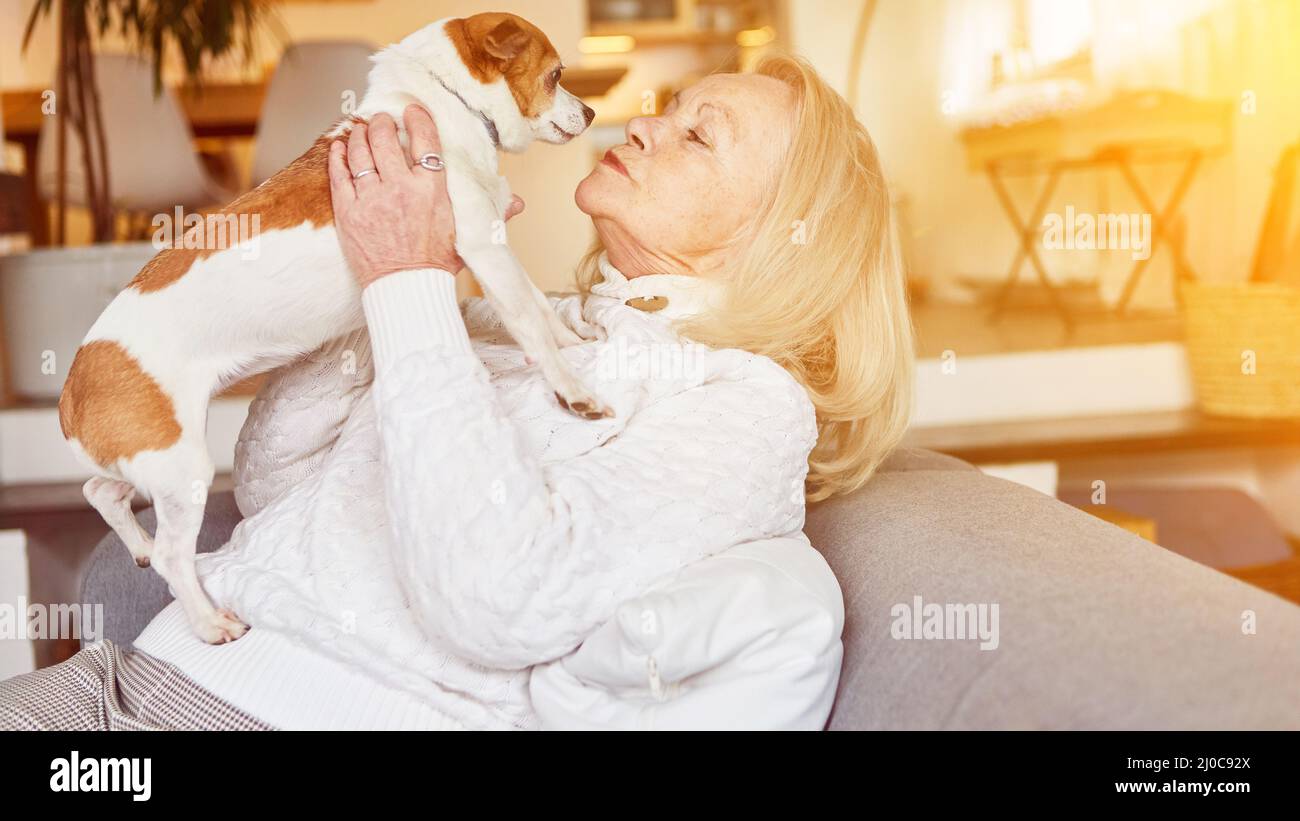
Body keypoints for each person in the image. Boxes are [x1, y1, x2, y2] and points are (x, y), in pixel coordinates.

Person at [0, 54, 912, 730]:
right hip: (127, 685)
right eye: (669, 109)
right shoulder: (525, 329)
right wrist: (377, 282)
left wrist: (409, 286)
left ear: (788, 237)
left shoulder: (742, 405)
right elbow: (279, 493)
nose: (642, 125)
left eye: (698, 134)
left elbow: (500, 597)